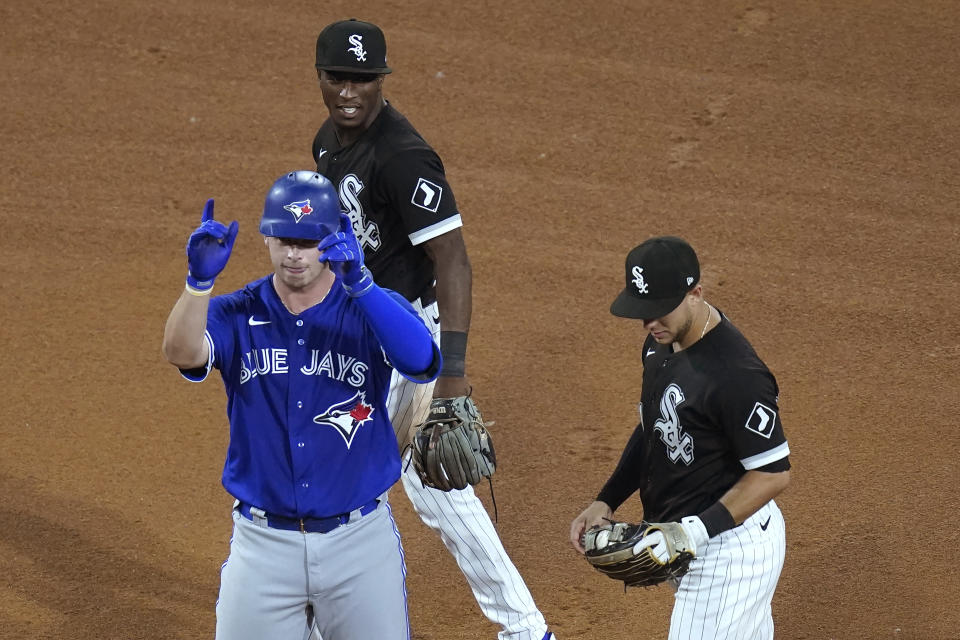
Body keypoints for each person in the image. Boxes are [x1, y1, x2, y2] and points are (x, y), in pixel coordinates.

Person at [308, 18, 555, 640]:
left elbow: (453, 259)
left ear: (382, 82)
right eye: (340, 77)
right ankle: (527, 630)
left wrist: (452, 375)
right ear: (321, 77)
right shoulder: (325, 143)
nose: (351, 92)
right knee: (430, 488)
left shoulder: (402, 154)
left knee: (334, 469)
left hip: (410, 336)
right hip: (362, 328)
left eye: (365, 80)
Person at [161, 170, 441, 640]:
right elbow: (182, 353)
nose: (294, 253)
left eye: (308, 241)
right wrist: (197, 284)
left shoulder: (369, 305)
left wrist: (363, 286)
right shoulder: (236, 311)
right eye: (285, 239)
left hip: (360, 544)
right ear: (267, 238)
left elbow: (422, 362)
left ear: (333, 239)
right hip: (263, 545)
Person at [569, 236, 792, 640]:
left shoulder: (736, 375)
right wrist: (607, 497)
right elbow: (654, 428)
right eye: (642, 312)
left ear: (696, 294)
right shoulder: (659, 345)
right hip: (683, 541)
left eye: (658, 311)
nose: (649, 323)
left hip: (729, 550)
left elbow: (773, 473)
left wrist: (693, 532)